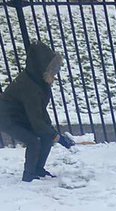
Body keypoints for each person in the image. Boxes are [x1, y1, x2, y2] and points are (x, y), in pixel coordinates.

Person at [0, 41, 75, 182]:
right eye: (52, 70)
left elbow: (40, 113)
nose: (55, 74)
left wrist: (53, 133)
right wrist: (58, 138)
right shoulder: (30, 87)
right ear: (42, 68)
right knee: (33, 141)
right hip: (7, 119)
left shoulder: (38, 81)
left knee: (46, 137)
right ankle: (28, 175)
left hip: (21, 115)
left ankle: (38, 169)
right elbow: (36, 121)